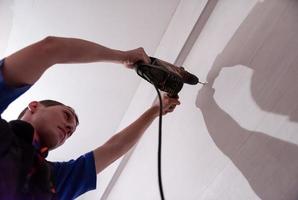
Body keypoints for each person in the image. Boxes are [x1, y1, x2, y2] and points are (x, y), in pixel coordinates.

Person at [0, 36, 180, 199]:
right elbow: (50, 48)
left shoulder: (54, 178)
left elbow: (114, 147)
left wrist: (155, 110)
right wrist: (123, 56)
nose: (69, 128)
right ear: (34, 106)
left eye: (71, 132)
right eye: (66, 114)